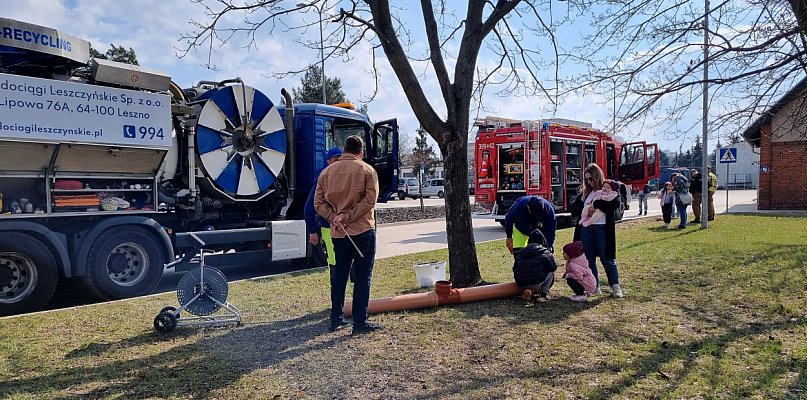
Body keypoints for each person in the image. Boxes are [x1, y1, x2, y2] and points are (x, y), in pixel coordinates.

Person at [314, 135, 380, 335]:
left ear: (344, 150)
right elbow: (370, 201)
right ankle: (360, 322)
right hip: (362, 231)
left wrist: (334, 217)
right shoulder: (367, 170)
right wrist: (348, 217)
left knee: (339, 276)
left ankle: (336, 319)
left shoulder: (326, 173)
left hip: (338, 234)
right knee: (362, 277)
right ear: (360, 152)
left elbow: (318, 203)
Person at [579, 164, 624, 298]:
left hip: (602, 228)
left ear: (597, 176)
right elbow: (576, 207)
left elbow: (615, 204)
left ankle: (615, 286)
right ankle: (594, 286)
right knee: (589, 259)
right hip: (586, 229)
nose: (589, 182)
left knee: (607, 258)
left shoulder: (609, 188)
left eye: (591, 178)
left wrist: (596, 205)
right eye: (586, 179)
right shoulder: (587, 192)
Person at [304, 148, 343, 269]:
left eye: (340, 160)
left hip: (346, 227)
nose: (338, 163)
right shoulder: (322, 179)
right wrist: (313, 232)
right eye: (336, 160)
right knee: (335, 262)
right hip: (329, 227)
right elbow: (309, 208)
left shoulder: (347, 178)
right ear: (328, 161)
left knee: (347, 263)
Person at [513, 229, 557, 303]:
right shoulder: (545, 252)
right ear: (543, 241)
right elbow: (553, 268)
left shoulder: (520, 252)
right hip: (536, 282)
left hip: (520, 282)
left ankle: (528, 290)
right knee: (551, 272)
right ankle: (543, 295)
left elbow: (515, 268)